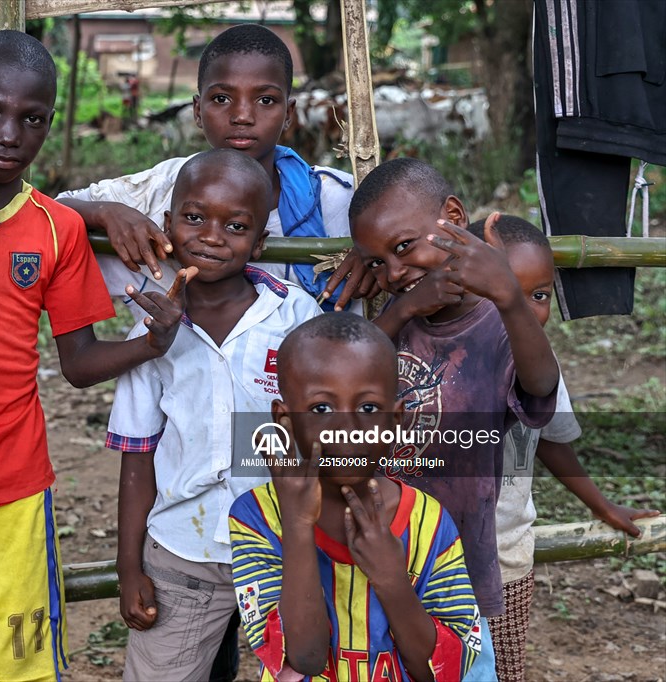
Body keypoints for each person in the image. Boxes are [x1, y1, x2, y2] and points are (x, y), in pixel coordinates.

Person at [0, 31, 187, 682]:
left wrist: (151, 342)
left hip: (12, 494)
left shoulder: (57, 228)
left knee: (12, 669)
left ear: (49, 123)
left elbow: (77, 364)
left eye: (32, 118)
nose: (9, 133)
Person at [106, 148, 323, 681]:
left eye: (236, 226)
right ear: (167, 225)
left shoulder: (295, 316)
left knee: (309, 666)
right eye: (195, 217)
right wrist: (129, 567)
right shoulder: (150, 332)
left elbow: (325, 432)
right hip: (183, 551)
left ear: (260, 242)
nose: (211, 236)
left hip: (287, 547)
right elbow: (137, 456)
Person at [348, 157, 561, 681]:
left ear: (454, 217)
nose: (394, 273)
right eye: (376, 263)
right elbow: (347, 374)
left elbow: (540, 389)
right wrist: (400, 310)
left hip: (455, 565)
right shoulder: (388, 322)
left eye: (404, 248)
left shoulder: (498, 324)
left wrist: (509, 297)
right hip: (372, 549)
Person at [58, 23, 378, 320]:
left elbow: (405, 243)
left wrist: (374, 255)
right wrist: (106, 212)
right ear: (198, 111)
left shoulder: (339, 199)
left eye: (266, 100)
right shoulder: (161, 188)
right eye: (222, 98)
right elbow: (52, 211)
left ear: (288, 114)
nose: (242, 116)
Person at [230, 312, 481, 681]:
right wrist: (297, 527)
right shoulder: (257, 517)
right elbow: (305, 658)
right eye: (321, 409)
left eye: (368, 408)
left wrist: (392, 580)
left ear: (396, 419)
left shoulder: (428, 522)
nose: (347, 429)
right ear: (285, 420)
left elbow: (442, 670)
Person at [466, 215, 661, 682]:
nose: (522, 309)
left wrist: (601, 504)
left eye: (538, 296)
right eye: (501, 292)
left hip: (506, 555)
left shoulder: (540, 364)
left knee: (502, 671)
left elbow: (550, 441)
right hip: (435, 554)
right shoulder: (444, 355)